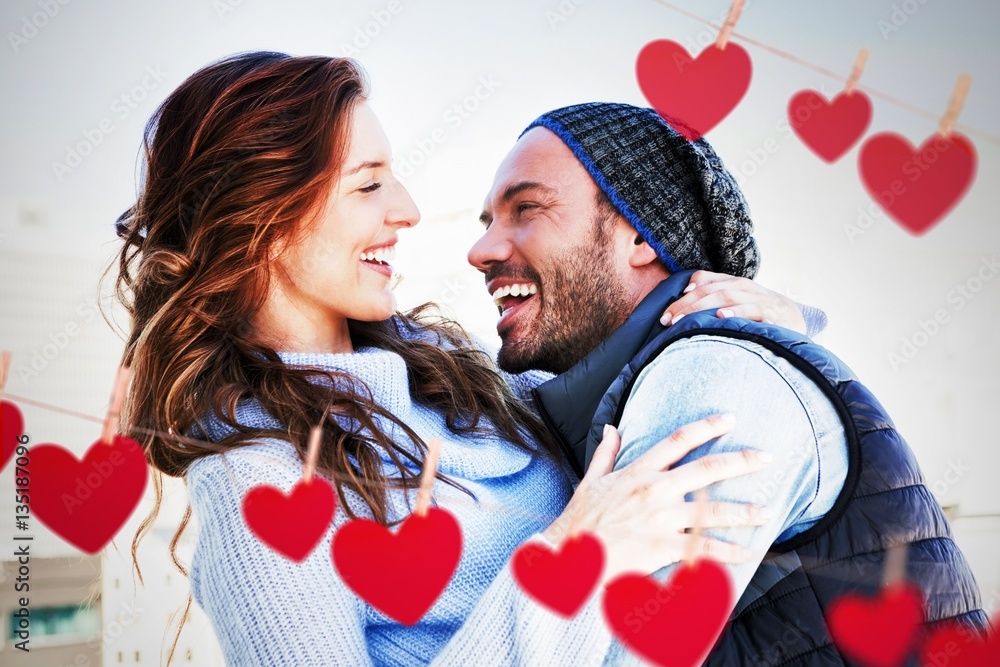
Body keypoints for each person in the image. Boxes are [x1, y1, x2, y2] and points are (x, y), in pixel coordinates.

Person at [110, 53, 812, 666]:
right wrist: (574, 559)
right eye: (367, 184)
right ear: (259, 218)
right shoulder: (255, 481)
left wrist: (772, 314)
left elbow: (621, 363)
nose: (407, 209)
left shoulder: (441, 364)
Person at [469, 101, 989, 665]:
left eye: (527, 208)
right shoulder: (613, 401)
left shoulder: (711, 375)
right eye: (488, 223)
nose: (480, 252)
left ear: (640, 236)